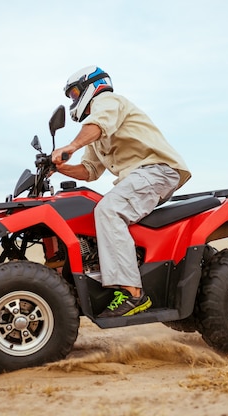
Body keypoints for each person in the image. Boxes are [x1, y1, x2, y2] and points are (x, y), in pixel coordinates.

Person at [52, 66, 191, 318]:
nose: (73, 101)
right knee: (98, 211)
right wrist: (59, 168)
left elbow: (97, 124)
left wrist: (70, 146)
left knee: (109, 210)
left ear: (90, 87)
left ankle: (133, 294)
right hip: (141, 176)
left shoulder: (107, 102)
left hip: (156, 170)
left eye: (74, 94)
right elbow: (89, 171)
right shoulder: (94, 132)